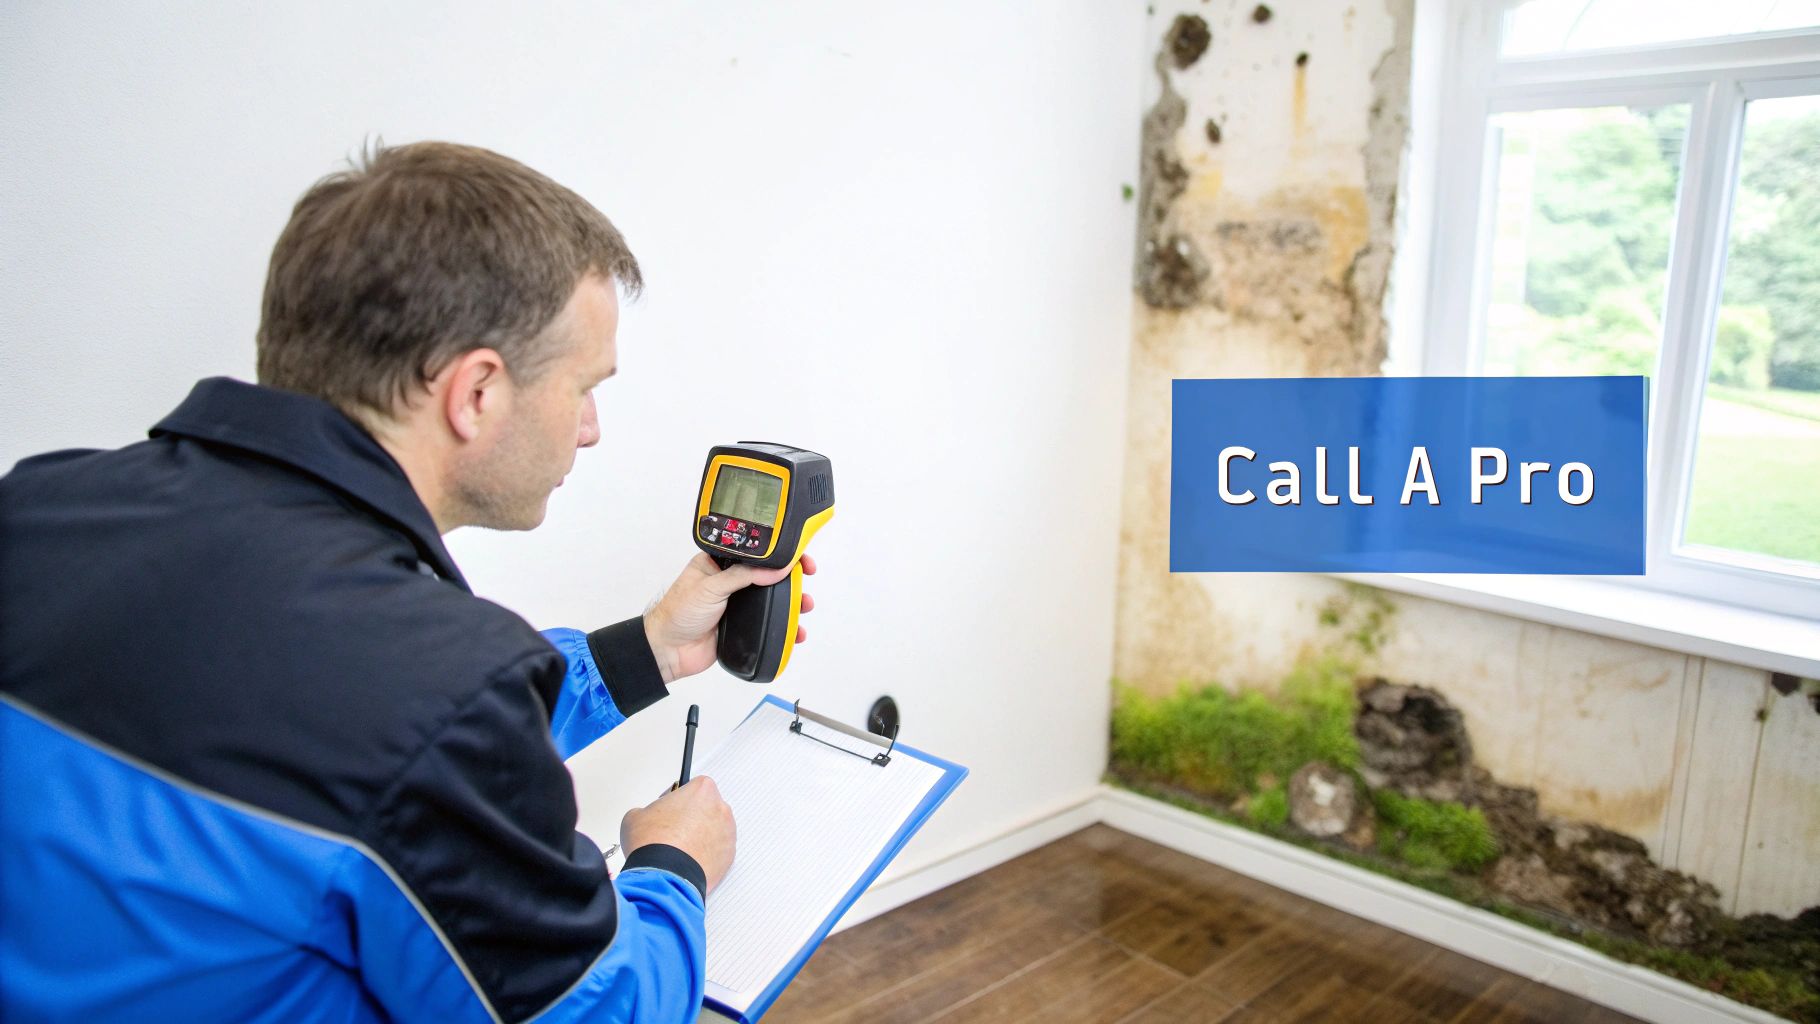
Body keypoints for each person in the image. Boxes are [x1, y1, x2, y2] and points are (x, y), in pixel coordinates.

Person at [0, 141, 812, 1024]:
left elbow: (344, 744)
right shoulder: (441, 691)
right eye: (583, 388)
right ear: (476, 394)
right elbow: (602, 1011)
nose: (590, 430)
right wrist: (673, 867)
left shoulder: (40, 508)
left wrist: (644, 651)